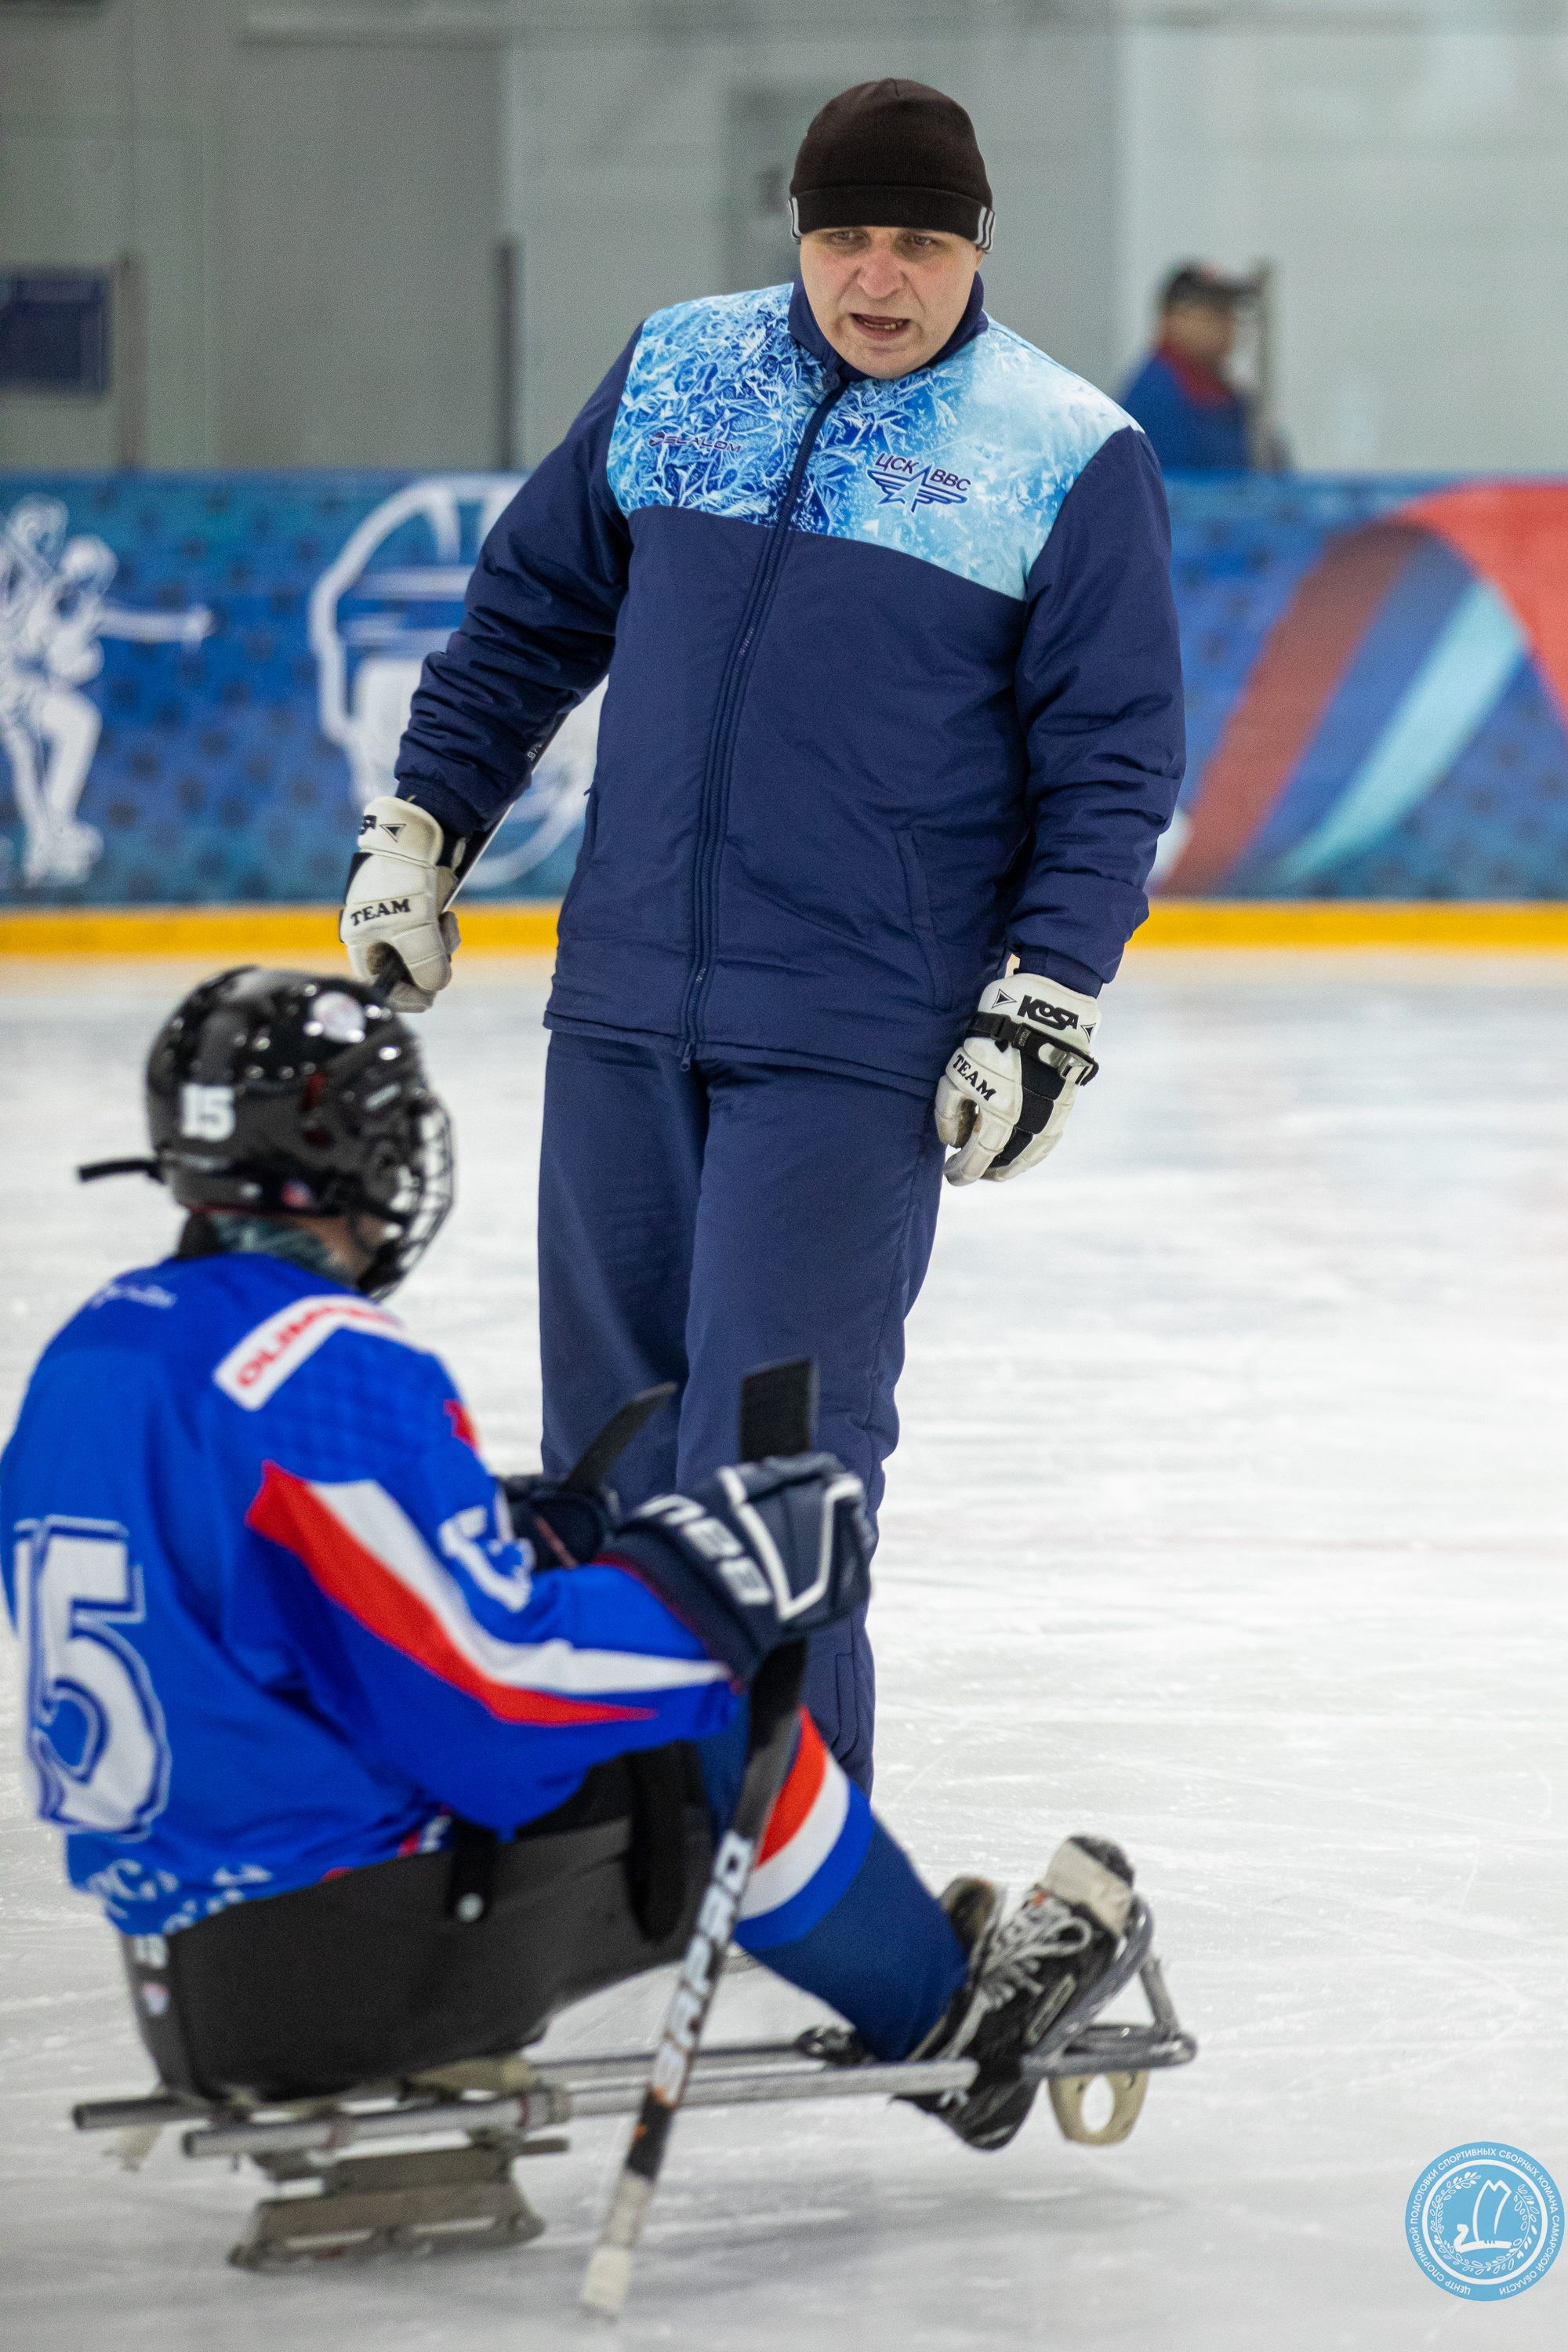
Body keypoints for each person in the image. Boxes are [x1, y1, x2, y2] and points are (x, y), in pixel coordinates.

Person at [339, 78, 1185, 1793]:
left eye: (922, 243)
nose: (880, 278)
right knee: (613, 1454)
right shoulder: (677, 371)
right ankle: (608, 1837)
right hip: (625, 1005)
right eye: (846, 236)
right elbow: (528, 613)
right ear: (796, 232)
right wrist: (426, 823)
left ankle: (789, 1855)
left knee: (776, 1471)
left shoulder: (1064, 451)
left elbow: (1113, 758)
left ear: (976, 249)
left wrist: (1043, 998)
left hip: (854, 1039)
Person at [0, 967, 1139, 2153]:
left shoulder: (99, 1346)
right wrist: (711, 1590)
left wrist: (503, 1546)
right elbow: (495, 1710)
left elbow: (236, 1596)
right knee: (712, 1704)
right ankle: (953, 2025)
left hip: (192, 1976)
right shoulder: (323, 1364)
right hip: (346, 1959)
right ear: (352, 1151)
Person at [1117, 263, 1257, 475]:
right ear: (1174, 318)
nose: (1227, 323)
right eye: (1215, 311)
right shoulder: (1152, 397)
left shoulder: (1230, 397)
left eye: (1229, 311)